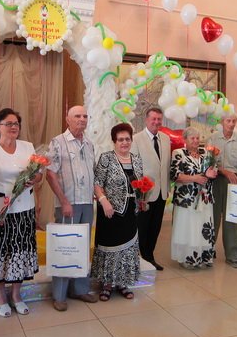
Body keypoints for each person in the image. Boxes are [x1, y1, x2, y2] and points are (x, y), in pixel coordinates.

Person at [0, 108, 42, 317]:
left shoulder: (27, 146)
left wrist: (35, 179)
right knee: (0, 251)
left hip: (24, 208)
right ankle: (0, 295)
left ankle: (16, 294)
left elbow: (39, 174)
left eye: (16, 123)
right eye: (9, 123)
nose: (13, 127)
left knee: (20, 250)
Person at [45, 105, 99, 311]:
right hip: (68, 204)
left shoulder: (89, 144)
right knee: (65, 247)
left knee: (83, 247)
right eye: (77, 116)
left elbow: (92, 172)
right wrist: (64, 201)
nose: (82, 119)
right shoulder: (58, 142)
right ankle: (59, 295)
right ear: (67, 119)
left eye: (85, 116)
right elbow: (50, 174)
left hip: (87, 203)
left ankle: (80, 289)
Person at [93, 123, 146, 300]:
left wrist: (142, 198)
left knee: (128, 247)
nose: (124, 143)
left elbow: (139, 184)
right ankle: (107, 284)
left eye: (127, 139)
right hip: (110, 211)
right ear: (114, 141)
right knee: (110, 246)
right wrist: (104, 201)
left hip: (131, 211)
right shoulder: (106, 158)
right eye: (120, 139)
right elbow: (97, 184)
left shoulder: (136, 159)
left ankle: (123, 282)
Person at [169, 127, 218, 268]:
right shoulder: (179, 153)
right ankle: (187, 258)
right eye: (192, 138)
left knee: (203, 226)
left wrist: (212, 173)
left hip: (204, 197)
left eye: (197, 138)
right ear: (185, 139)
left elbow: (213, 171)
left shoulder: (206, 153)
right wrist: (195, 178)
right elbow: (175, 175)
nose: (196, 141)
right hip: (186, 198)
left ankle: (204, 257)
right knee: (188, 227)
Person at [134, 107, 171, 271]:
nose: (156, 122)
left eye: (159, 119)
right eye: (153, 119)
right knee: (143, 227)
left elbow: (166, 165)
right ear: (146, 120)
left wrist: (167, 187)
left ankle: (149, 256)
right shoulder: (136, 139)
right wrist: (139, 194)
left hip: (162, 192)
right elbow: (135, 167)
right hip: (145, 194)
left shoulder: (165, 139)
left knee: (155, 227)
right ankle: (142, 259)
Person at [210, 113, 237, 268]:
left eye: (233, 121)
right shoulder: (213, 139)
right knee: (213, 217)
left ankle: (232, 255)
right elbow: (209, 161)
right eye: (228, 121)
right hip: (216, 180)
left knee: (231, 219)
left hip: (234, 181)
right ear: (222, 122)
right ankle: (208, 252)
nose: (231, 124)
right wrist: (225, 172)